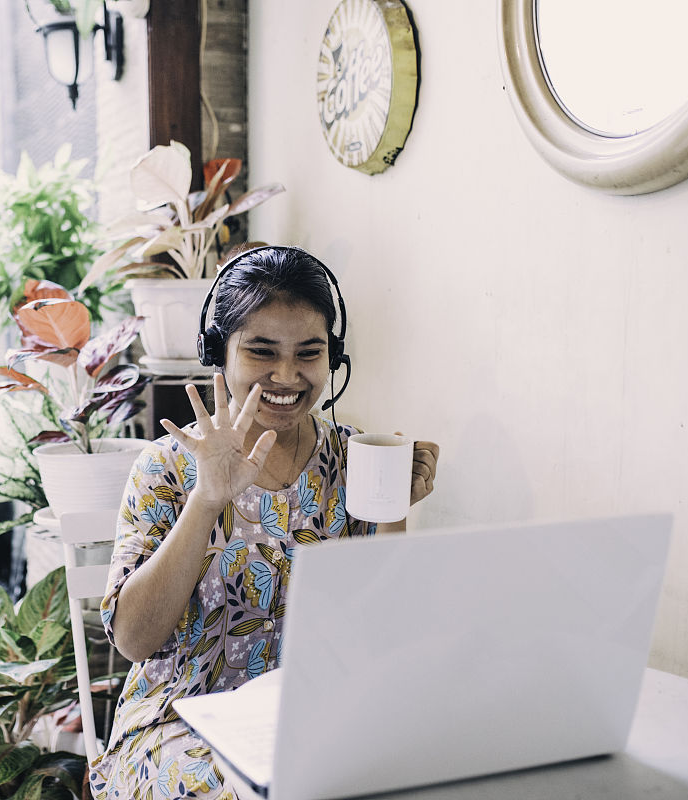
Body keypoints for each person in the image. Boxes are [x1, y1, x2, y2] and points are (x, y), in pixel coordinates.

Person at [87, 245, 440, 800]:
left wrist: (393, 507)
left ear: (333, 358)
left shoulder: (354, 459)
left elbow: (387, 630)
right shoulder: (165, 466)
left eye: (309, 353)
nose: (287, 375)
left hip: (319, 715)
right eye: (261, 351)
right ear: (219, 354)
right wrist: (206, 500)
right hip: (182, 720)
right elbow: (134, 640)